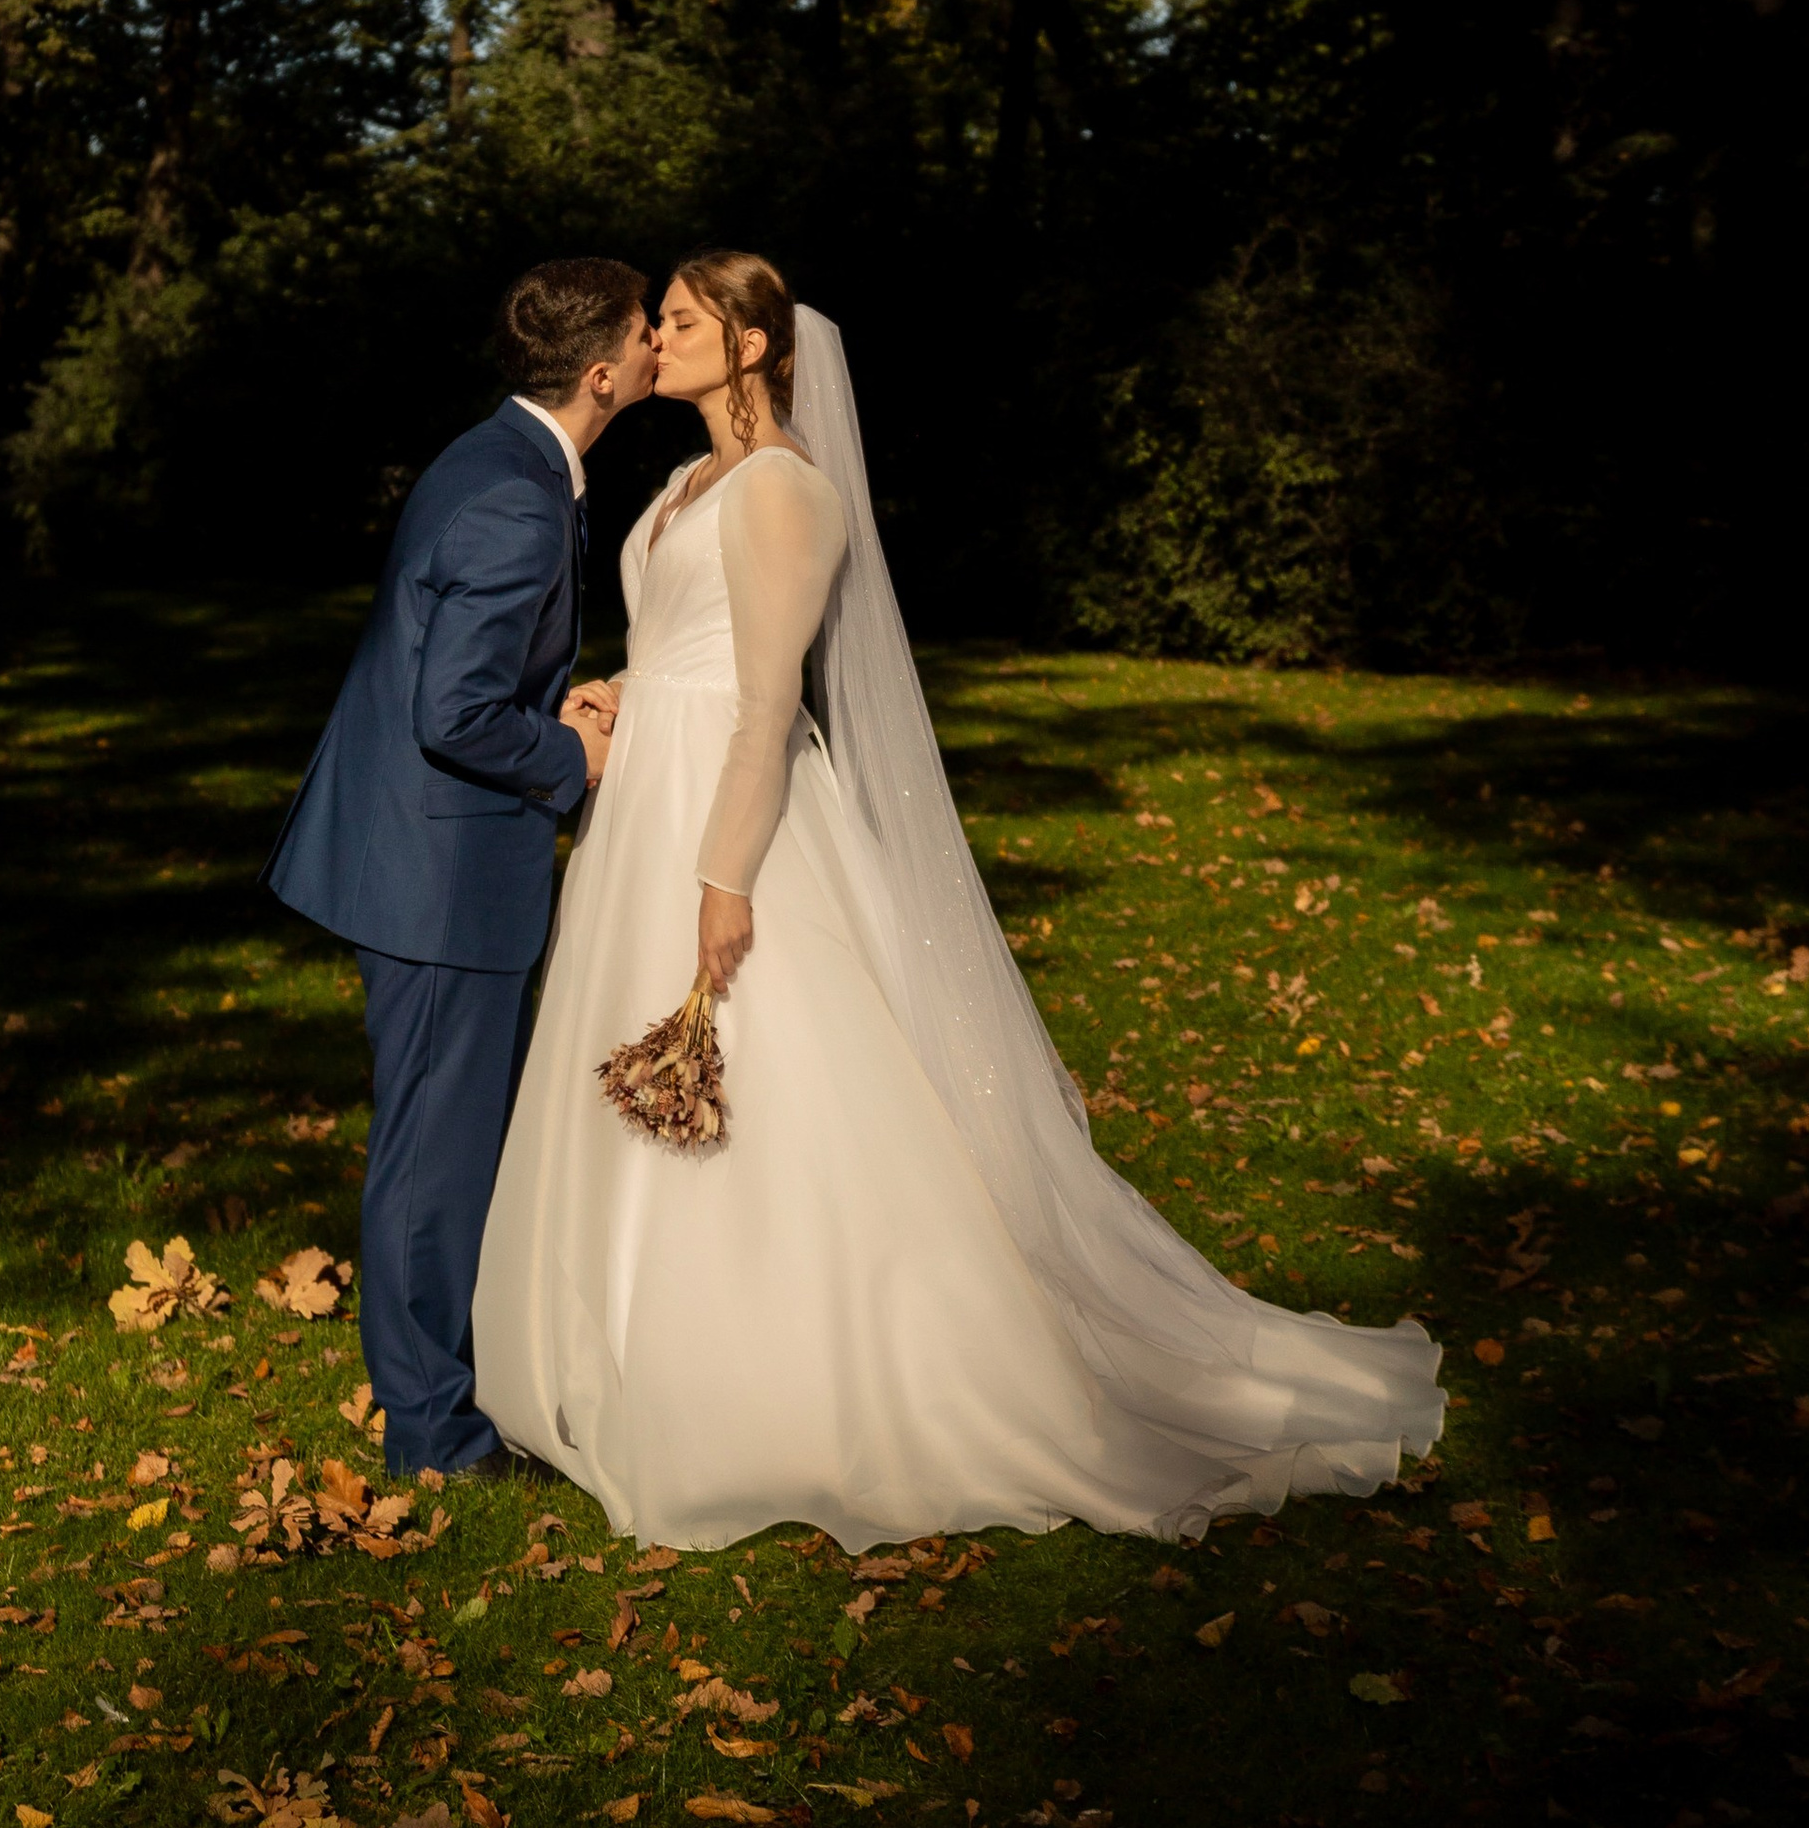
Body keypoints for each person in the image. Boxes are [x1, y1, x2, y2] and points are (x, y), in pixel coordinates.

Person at [473, 250, 1445, 1548]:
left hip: (732, 824)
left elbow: (768, 703)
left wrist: (724, 880)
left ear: (753, 346)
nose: (664, 340)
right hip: (647, 806)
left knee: (778, 1094)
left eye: (689, 322)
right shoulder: (678, 484)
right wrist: (622, 694)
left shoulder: (781, 493)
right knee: (643, 1091)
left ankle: (790, 1384)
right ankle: (634, 1358)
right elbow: (694, 660)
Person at [265, 258, 653, 1479]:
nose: (659, 345)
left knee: (443, 1138)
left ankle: (451, 1384)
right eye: (648, 332)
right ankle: (430, 1428)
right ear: (602, 373)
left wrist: (562, 695)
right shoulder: (519, 499)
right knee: (435, 1154)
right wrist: (574, 752)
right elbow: (457, 711)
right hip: (435, 876)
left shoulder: (502, 458)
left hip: (418, 850)